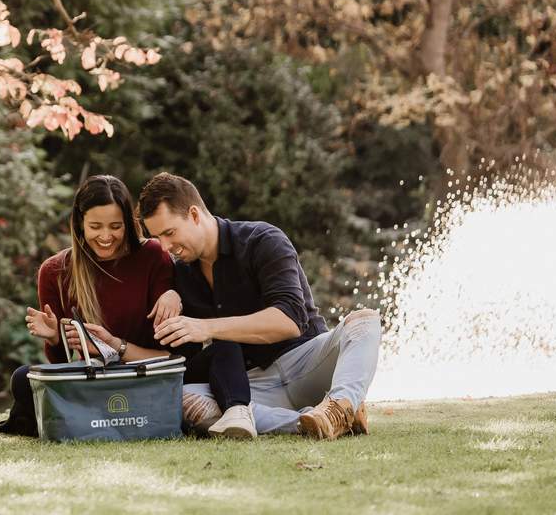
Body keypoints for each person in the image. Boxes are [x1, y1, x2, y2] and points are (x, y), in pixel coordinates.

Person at [139, 172, 382, 440]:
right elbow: (185, 360)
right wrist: (167, 295)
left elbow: (289, 321)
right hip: (253, 383)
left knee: (364, 322)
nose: (165, 246)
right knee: (184, 398)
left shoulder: (262, 240)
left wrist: (206, 327)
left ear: (195, 215)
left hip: (306, 362)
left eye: (169, 233)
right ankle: (309, 422)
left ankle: (340, 405)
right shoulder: (183, 274)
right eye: (157, 237)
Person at [0, 174, 181, 437]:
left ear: (128, 223)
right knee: (23, 378)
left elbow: (171, 353)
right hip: (92, 381)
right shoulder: (54, 270)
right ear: (79, 223)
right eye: (96, 226)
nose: (106, 236)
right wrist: (54, 339)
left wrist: (172, 293)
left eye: (116, 226)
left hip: (144, 375)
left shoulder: (153, 256)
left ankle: (76, 419)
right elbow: (62, 365)